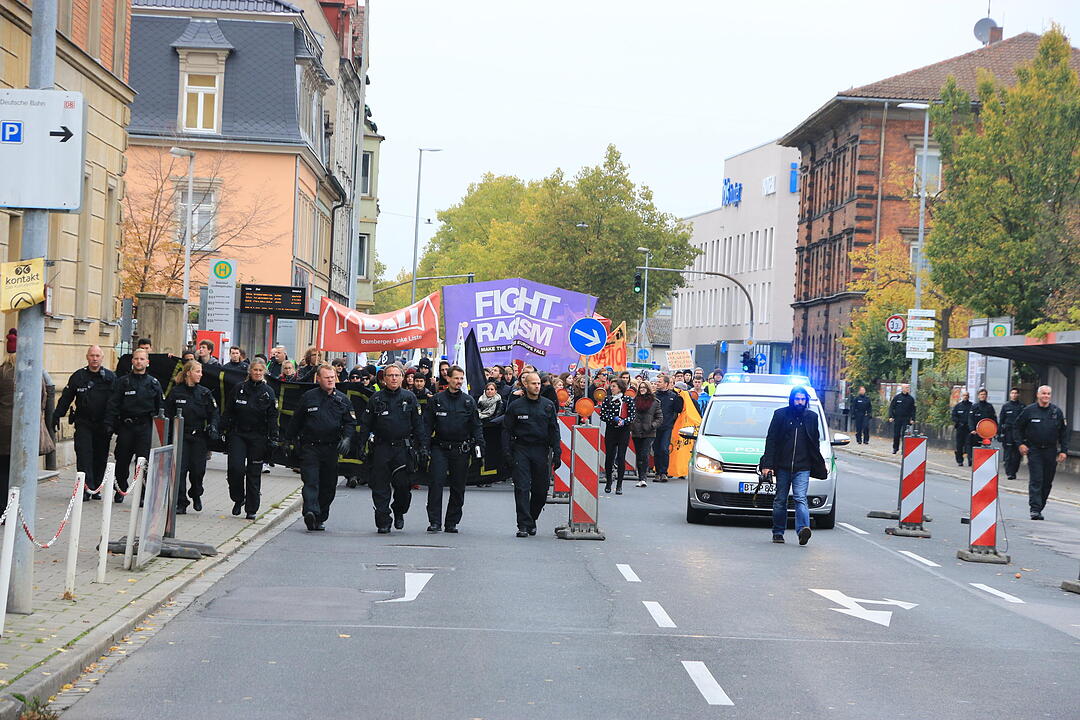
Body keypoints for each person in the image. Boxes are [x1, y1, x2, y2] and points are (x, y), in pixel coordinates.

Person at [357, 363, 426, 532]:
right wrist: (361, 445)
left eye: (397, 375)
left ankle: (399, 510)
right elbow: (366, 424)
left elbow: (418, 426)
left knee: (403, 487)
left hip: (402, 449)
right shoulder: (376, 398)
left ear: (402, 378)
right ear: (384, 379)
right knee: (380, 486)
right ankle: (383, 519)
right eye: (390, 375)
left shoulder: (409, 398)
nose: (394, 378)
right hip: (381, 448)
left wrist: (423, 447)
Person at [288, 364, 356, 531]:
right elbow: (296, 421)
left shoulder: (342, 399)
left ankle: (320, 516)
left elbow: (350, 422)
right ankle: (310, 511)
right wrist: (288, 441)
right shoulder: (308, 397)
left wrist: (347, 438)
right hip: (310, 447)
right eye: (327, 377)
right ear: (318, 379)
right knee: (311, 481)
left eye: (332, 377)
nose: (331, 380)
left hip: (331, 449)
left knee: (328, 485)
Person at [759, 386, 827, 545]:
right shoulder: (780, 415)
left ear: (806, 401)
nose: (800, 402)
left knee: (800, 498)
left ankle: (803, 530)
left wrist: (817, 464)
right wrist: (767, 465)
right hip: (782, 466)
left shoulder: (811, 417)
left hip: (803, 467)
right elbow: (771, 440)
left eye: (803, 399)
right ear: (792, 399)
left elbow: (814, 443)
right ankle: (778, 532)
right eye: (797, 399)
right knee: (780, 499)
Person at [423, 366, 484, 533]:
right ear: (448, 378)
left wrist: (479, 446)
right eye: (456, 378)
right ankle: (434, 521)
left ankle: (452, 522)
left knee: (458, 487)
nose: (459, 382)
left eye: (461, 379)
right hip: (440, 448)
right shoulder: (436, 400)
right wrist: (423, 448)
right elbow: (427, 426)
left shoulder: (468, 401)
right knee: (436, 484)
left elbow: (476, 426)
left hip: (461, 449)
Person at [53, 345, 116, 501]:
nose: (94, 359)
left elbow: (115, 402)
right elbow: (67, 397)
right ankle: (85, 488)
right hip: (84, 422)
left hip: (103, 424)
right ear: (87, 357)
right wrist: (57, 415)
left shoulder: (110, 377)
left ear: (102, 358)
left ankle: (96, 487)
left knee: (100, 456)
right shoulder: (78, 376)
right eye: (92, 355)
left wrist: (112, 422)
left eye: (97, 356)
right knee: (83, 455)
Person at [503, 372, 560, 537]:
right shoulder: (516, 406)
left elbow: (554, 430)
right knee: (522, 487)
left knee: (541, 491)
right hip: (521, 449)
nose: (537, 386)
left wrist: (557, 451)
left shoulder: (548, 405)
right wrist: (507, 453)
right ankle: (523, 524)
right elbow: (506, 430)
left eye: (539, 383)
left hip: (541, 450)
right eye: (533, 383)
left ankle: (532, 518)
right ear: (525, 385)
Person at [105, 348, 164, 502]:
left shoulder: (154, 384)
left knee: (143, 462)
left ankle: (143, 494)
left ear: (147, 362)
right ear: (132, 361)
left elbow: (160, 409)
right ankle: (120, 489)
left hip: (145, 427)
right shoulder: (123, 382)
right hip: (126, 426)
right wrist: (110, 425)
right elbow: (113, 405)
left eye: (142, 359)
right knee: (122, 460)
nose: (139, 362)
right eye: (136, 359)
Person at [223, 359, 279, 519]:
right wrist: (221, 428)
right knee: (235, 469)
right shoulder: (238, 388)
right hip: (238, 434)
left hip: (258, 437)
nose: (258, 373)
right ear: (250, 371)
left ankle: (251, 508)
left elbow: (273, 416)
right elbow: (228, 411)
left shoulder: (268, 391)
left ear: (264, 373)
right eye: (255, 370)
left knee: (254, 473)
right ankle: (238, 498)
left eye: (261, 371)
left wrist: (274, 436)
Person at [165, 361, 220, 513]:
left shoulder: (204, 393)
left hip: (199, 438)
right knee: (180, 471)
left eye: (201, 371)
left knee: (197, 471)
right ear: (188, 372)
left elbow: (214, 413)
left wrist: (214, 426)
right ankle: (181, 502)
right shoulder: (176, 392)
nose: (200, 374)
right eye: (197, 371)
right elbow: (167, 414)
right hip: (180, 436)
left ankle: (196, 493)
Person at [1016, 385, 1068, 521]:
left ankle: (1040, 506)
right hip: (1035, 450)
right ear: (1038, 395)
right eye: (1043, 393)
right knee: (1036, 479)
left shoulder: (1056, 412)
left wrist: (1064, 451)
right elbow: (1017, 428)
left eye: (1048, 394)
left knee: (1047, 482)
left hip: (1051, 451)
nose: (1046, 396)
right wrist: (1020, 443)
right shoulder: (1029, 411)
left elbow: (1063, 433)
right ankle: (1035, 509)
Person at [598, 378, 635, 495]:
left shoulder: (628, 399)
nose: (611, 388)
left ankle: (619, 485)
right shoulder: (607, 399)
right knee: (609, 456)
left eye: (614, 386)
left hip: (623, 431)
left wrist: (625, 421)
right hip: (611, 430)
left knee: (621, 456)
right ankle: (609, 481)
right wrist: (613, 419)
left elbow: (633, 415)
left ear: (620, 387)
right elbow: (603, 415)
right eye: (611, 386)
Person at [630, 381, 662, 488]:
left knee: (644, 453)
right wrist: (632, 425)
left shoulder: (655, 402)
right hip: (636, 431)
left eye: (644, 387)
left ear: (648, 389)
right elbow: (630, 414)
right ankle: (640, 477)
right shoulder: (634, 401)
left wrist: (652, 425)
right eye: (640, 387)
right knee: (639, 455)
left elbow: (659, 418)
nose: (642, 389)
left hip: (649, 432)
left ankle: (643, 477)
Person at [653, 374, 683, 482]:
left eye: (659, 382)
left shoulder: (673, 396)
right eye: (657, 382)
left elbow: (679, 409)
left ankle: (664, 472)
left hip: (667, 426)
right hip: (655, 426)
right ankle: (657, 472)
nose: (657, 383)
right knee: (656, 449)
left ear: (666, 384)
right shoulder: (654, 396)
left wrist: (680, 397)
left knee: (664, 449)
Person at [478, 381, 505, 485]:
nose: (489, 391)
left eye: (492, 389)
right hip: (482, 428)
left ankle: (490, 478)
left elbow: (497, 416)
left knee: (492, 454)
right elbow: (477, 412)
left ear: (496, 391)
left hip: (493, 430)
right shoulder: (480, 400)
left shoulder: (499, 402)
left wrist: (488, 421)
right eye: (488, 389)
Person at [998, 388, 1024, 480]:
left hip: (1018, 433)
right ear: (1010, 395)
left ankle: (1014, 471)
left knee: (1017, 455)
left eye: (1016, 393)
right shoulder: (1006, 406)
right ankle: (1009, 472)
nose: (1014, 395)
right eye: (1012, 393)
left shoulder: (1022, 406)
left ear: (1018, 395)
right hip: (1008, 432)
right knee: (1008, 454)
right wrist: (999, 433)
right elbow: (1001, 420)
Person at [887, 384, 915, 454]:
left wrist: (913, 419)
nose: (908, 389)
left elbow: (913, 410)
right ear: (902, 388)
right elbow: (891, 407)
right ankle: (895, 448)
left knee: (904, 435)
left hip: (906, 419)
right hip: (897, 418)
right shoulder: (897, 397)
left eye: (908, 387)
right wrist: (891, 416)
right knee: (896, 434)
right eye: (906, 387)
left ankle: (904, 450)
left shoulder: (911, 399)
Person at [951, 390, 975, 467]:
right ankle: (960, 460)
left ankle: (970, 459)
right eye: (964, 395)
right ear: (962, 396)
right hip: (960, 428)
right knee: (959, 445)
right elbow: (953, 416)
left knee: (969, 445)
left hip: (969, 429)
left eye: (967, 395)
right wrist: (958, 422)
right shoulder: (958, 406)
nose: (965, 397)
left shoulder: (972, 406)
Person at [969, 388, 996, 452]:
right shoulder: (974, 407)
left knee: (986, 450)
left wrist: (995, 431)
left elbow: (993, 419)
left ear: (986, 396)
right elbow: (970, 419)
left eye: (984, 394)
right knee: (975, 450)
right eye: (981, 394)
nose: (983, 396)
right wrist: (972, 429)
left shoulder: (990, 406)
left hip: (987, 433)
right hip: (976, 432)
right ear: (978, 396)